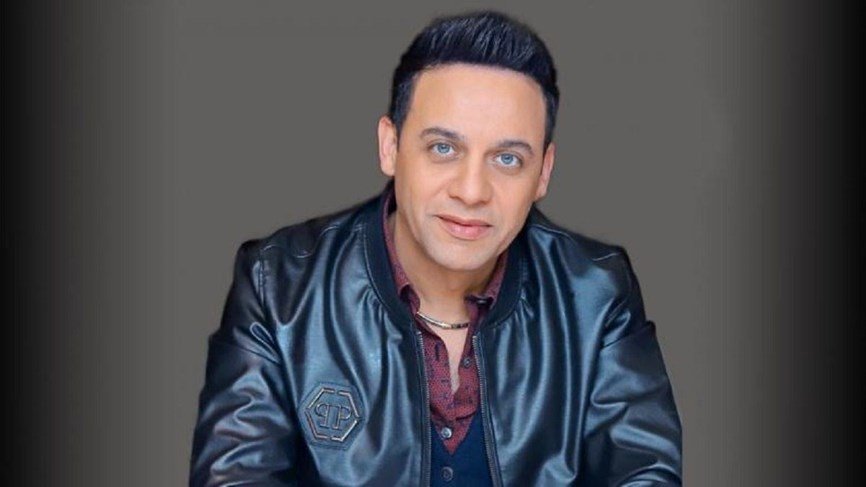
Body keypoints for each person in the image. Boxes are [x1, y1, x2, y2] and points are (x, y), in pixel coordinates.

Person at [190, 10, 682, 486]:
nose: (471, 191)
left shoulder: (596, 293)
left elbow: (645, 473)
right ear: (390, 146)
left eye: (507, 159)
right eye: (443, 148)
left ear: (543, 174)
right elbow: (236, 475)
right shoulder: (280, 287)